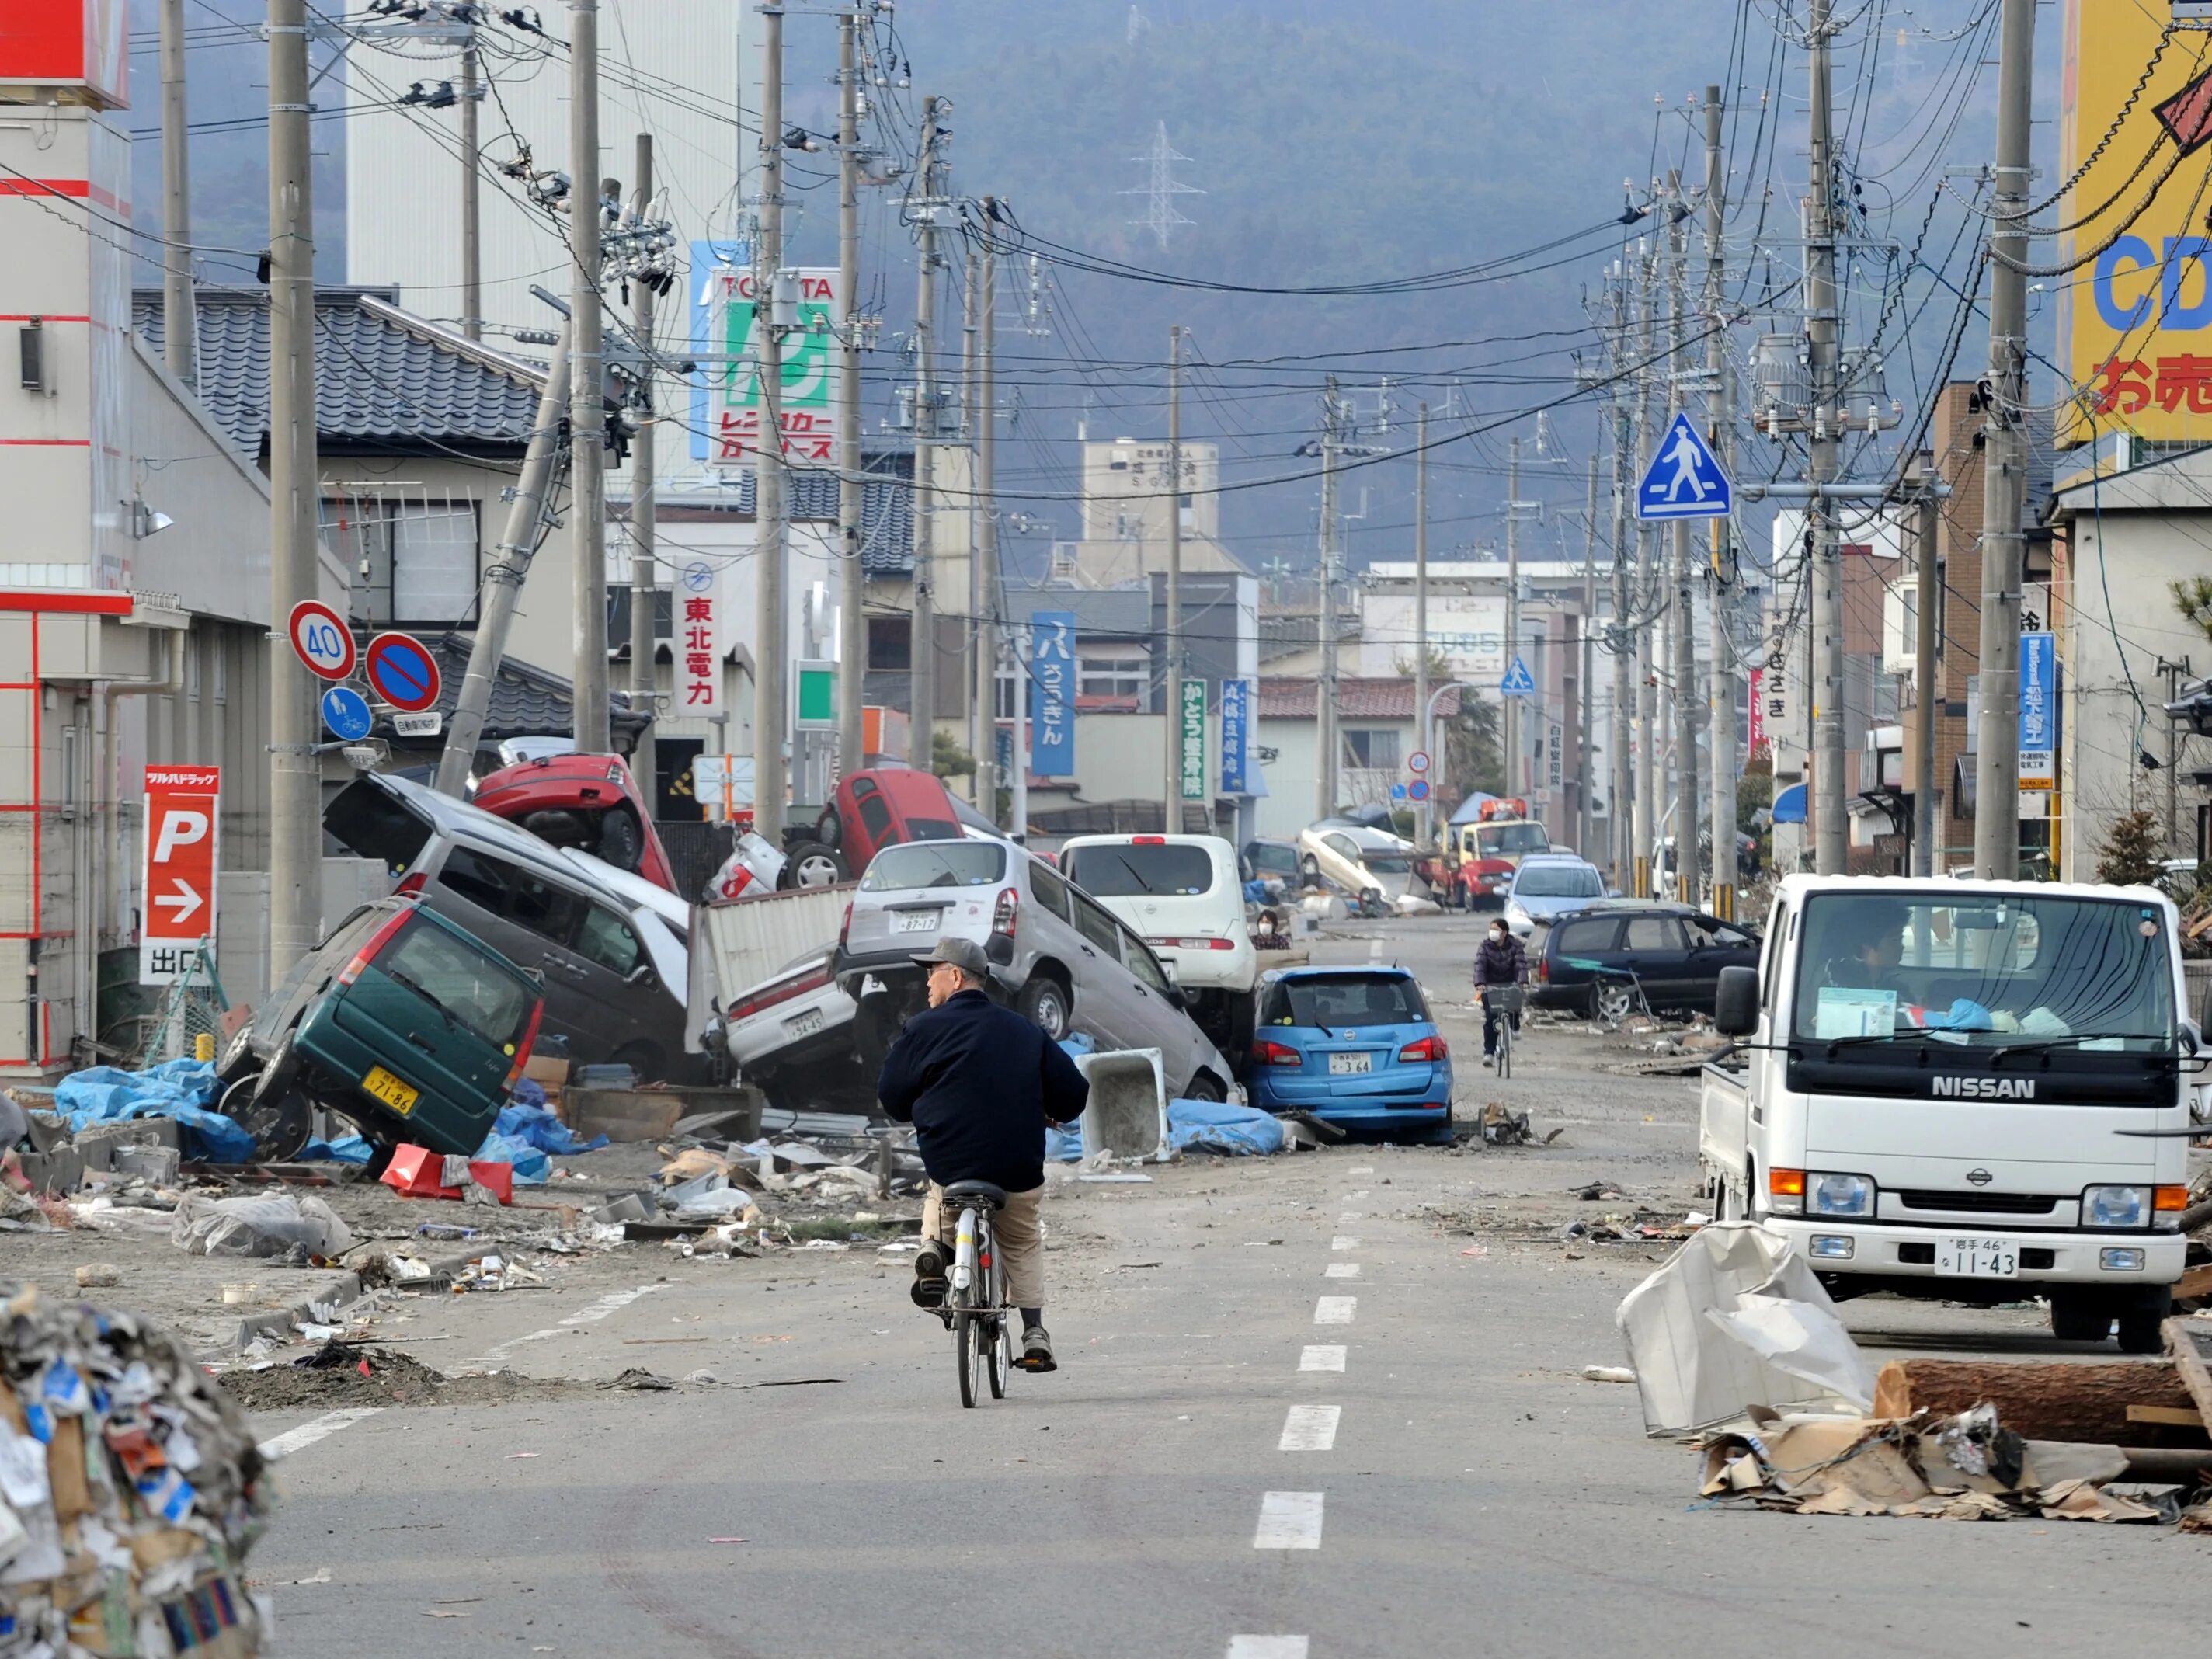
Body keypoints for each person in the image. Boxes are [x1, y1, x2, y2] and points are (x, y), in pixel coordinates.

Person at [877, 936, 1089, 1374]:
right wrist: (1051, 1111)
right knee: (1021, 1239)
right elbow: (1074, 1093)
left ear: (955, 976)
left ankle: (934, 1251)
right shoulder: (1024, 1030)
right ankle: (1035, 1332)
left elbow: (892, 1096)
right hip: (1017, 1166)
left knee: (940, 1195)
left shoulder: (922, 1030)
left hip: (952, 1162)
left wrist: (919, 1105)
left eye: (932, 973)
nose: (927, 984)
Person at [1475, 916, 1527, 1067]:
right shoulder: (1485, 947)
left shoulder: (1515, 946)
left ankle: (1515, 1026)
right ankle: (1489, 1053)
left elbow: (1521, 965)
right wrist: (1480, 983)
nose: (1492, 932)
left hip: (1510, 983)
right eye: (1491, 929)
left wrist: (1522, 981)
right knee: (1491, 1020)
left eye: (1496, 930)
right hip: (1490, 986)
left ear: (1504, 933)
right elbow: (1480, 966)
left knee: (1515, 1003)